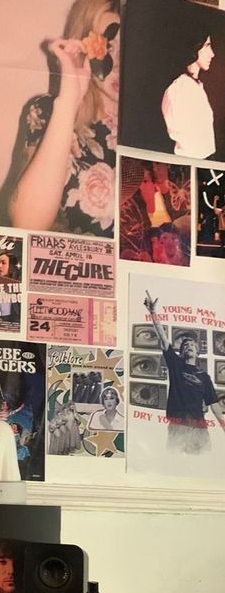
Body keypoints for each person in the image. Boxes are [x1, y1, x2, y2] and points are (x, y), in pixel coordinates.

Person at [1, 0, 119, 238]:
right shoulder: (48, 111)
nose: (119, 62)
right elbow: (26, 224)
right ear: (87, 45)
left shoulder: (166, 125)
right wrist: (68, 104)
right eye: (108, 46)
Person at [144, 290, 225, 453]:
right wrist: (153, 313)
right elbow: (163, 337)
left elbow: (214, 405)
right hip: (178, 426)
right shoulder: (176, 364)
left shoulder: (204, 377)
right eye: (185, 345)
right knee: (175, 467)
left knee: (202, 467)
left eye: (192, 345)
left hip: (199, 428)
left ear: (197, 352)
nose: (189, 346)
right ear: (181, 352)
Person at [161, 28, 215, 159]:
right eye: (207, 46)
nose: (212, 54)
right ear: (194, 46)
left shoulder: (194, 86)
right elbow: (189, 145)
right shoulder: (180, 89)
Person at [120, 161, 190, 261]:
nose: (139, 188)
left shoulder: (171, 213)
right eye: (136, 183)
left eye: (144, 181)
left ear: (154, 185)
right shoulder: (130, 216)